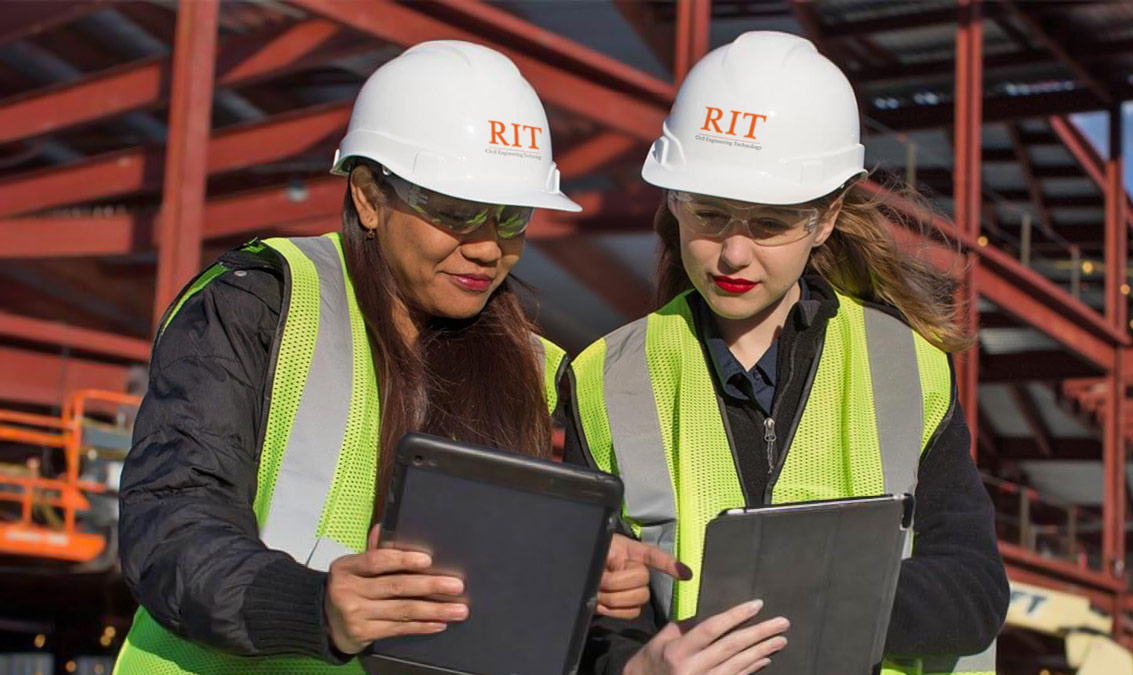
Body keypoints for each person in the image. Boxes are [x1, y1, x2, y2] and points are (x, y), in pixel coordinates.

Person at [114, 40, 679, 674]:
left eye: (511, 217)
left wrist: (582, 575)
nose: (488, 248)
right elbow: (171, 522)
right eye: (458, 212)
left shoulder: (535, 368)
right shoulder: (260, 303)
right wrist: (316, 607)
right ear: (368, 198)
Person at [563, 31, 1009, 675]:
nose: (734, 253)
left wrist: (790, 614)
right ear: (673, 201)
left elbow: (972, 591)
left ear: (825, 218)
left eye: (769, 224)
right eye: (710, 214)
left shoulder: (905, 367)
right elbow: (594, 626)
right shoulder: (606, 377)